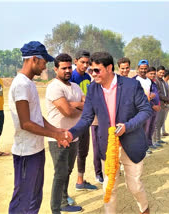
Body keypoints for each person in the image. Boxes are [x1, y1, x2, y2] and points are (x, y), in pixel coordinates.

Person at [68, 51, 152, 214]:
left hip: (132, 142)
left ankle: (145, 209)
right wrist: (71, 133)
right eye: (91, 70)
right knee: (109, 187)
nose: (92, 73)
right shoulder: (93, 89)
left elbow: (145, 110)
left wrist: (127, 126)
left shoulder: (131, 85)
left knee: (134, 185)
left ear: (109, 68)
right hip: (108, 145)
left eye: (96, 70)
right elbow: (86, 118)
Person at [8, 41, 70, 214]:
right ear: (34, 59)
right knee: (23, 199)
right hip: (25, 152)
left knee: (34, 197)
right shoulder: (21, 84)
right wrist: (55, 135)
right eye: (44, 62)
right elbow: (26, 123)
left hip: (35, 149)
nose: (45, 66)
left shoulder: (29, 83)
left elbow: (36, 117)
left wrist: (56, 130)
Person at [46, 53, 85, 213]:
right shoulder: (54, 87)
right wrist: (78, 106)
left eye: (70, 67)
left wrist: (73, 104)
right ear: (56, 69)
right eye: (64, 68)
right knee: (60, 173)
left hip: (73, 137)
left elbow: (87, 104)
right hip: (58, 138)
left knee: (67, 171)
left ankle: (64, 199)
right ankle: (56, 208)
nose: (68, 70)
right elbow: (68, 112)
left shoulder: (75, 87)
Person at [70, 50, 97, 191]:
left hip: (85, 119)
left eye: (87, 63)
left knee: (83, 151)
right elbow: (71, 103)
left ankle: (80, 180)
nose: (85, 65)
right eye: (82, 62)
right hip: (73, 120)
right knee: (69, 154)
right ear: (76, 61)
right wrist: (87, 105)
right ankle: (63, 192)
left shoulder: (87, 77)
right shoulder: (71, 77)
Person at [133, 59, 157, 154]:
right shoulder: (134, 80)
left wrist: (151, 95)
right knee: (137, 130)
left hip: (146, 109)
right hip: (137, 110)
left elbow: (152, 92)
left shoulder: (149, 81)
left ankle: (143, 149)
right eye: (141, 68)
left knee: (145, 130)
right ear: (138, 68)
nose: (143, 70)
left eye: (145, 68)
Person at [145, 67, 161, 150]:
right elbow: (144, 97)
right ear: (146, 74)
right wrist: (152, 105)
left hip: (155, 109)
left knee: (152, 127)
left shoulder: (154, 83)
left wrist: (158, 105)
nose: (153, 75)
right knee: (146, 128)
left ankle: (149, 143)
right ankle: (144, 147)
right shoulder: (146, 83)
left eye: (154, 74)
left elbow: (156, 95)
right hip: (149, 109)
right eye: (151, 73)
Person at [154, 66, 169, 145]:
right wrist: (166, 98)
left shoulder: (163, 81)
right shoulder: (156, 81)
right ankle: (155, 141)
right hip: (159, 104)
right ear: (157, 72)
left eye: (163, 73)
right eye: (160, 72)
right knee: (156, 123)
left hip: (164, 104)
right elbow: (158, 93)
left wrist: (168, 99)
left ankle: (159, 139)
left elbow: (166, 92)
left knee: (160, 122)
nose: (161, 74)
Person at [161, 69, 169, 136]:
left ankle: (163, 131)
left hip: (166, 102)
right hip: (163, 103)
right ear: (168, 75)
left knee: (163, 118)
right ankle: (161, 132)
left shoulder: (166, 83)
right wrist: (165, 101)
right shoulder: (163, 83)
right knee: (161, 118)